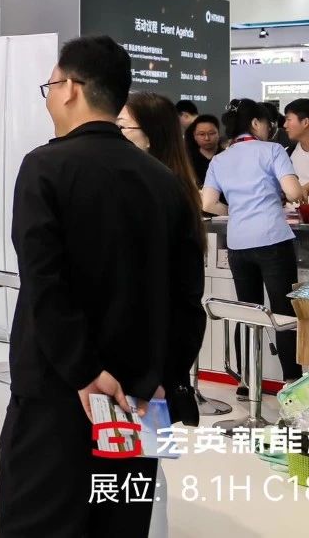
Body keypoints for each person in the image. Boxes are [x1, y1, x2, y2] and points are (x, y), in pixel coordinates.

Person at [0, 37, 205, 538]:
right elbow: (186, 298)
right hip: (139, 396)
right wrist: (164, 377)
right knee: (122, 522)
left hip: (59, 392)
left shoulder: (44, 167)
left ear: (70, 88)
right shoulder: (164, 181)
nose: (50, 96)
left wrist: (85, 371)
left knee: (41, 522)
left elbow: (45, 284)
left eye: (50, 86)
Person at [115, 92, 208, 537]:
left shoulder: (165, 196)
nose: (114, 136)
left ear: (150, 137)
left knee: (141, 466)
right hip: (138, 364)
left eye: (122, 128)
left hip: (148, 367)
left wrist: (162, 372)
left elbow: (185, 301)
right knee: (133, 462)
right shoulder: (149, 187)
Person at [201, 99, 306, 385]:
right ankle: (292, 383)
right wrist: (297, 193)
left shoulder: (219, 159)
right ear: (256, 123)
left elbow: (208, 203)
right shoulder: (272, 150)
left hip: (238, 244)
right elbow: (293, 192)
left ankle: (246, 382)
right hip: (273, 240)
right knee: (283, 313)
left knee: (247, 312)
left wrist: (235, 210)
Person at [185, 114, 223, 188]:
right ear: (194, 136)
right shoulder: (188, 160)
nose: (207, 138)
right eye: (201, 134)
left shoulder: (227, 157)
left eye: (211, 133)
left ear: (218, 133)